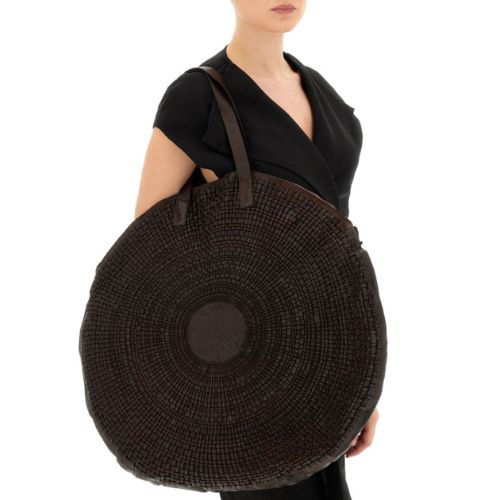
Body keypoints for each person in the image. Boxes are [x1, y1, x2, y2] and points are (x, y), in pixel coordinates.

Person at [135, 1, 380, 498]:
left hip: (329, 353)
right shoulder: (197, 98)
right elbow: (147, 255)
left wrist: (363, 384)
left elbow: (340, 253)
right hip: (246, 367)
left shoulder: (324, 95)